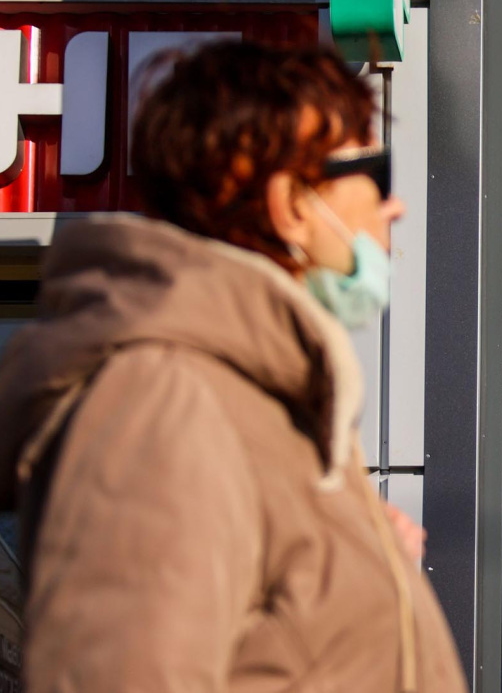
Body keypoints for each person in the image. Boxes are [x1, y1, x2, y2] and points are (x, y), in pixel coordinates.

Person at [0, 41, 468, 693]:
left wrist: (364, 562)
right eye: (377, 174)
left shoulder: (265, 410)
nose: (397, 208)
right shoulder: (166, 400)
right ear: (292, 204)